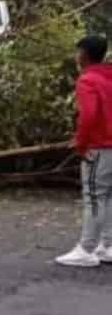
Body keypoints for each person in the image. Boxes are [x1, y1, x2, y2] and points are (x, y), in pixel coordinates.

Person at [56, 35, 112, 267]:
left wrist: (81, 143)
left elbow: (88, 115)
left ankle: (86, 248)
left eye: (78, 52)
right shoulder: (109, 76)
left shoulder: (87, 80)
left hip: (99, 146)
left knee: (94, 197)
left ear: (84, 55)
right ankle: (108, 245)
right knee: (109, 196)